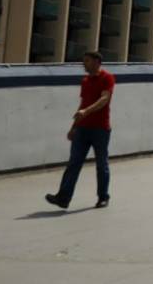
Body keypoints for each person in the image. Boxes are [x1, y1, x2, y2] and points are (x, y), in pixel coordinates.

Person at [46, 51, 115, 210]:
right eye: (83, 61)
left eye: (87, 61)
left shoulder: (107, 78)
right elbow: (82, 105)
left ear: (97, 62)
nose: (84, 64)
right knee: (74, 163)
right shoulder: (85, 81)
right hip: (82, 129)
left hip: (100, 130)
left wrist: (86, 112)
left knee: (101, 164)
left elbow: (104, 99)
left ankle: (103, 197)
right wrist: (73, 127)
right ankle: (63, 198)